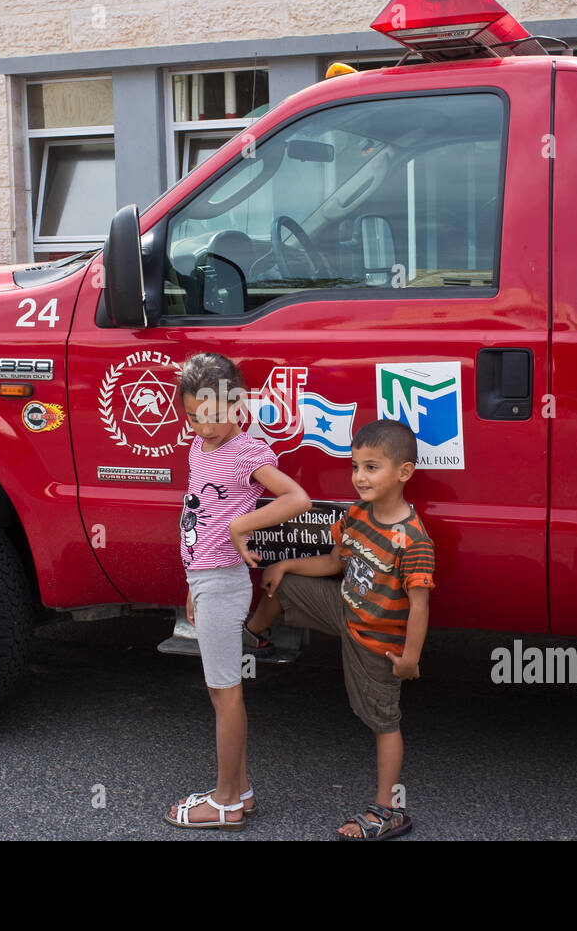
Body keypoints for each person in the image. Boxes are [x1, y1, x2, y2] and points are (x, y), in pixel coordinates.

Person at [244, 419, 434, 839]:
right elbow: (334, 564)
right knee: (284, 584)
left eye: (371, 467)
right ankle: (253, 635)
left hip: (378, 643)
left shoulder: (413, 540)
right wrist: (287, 563)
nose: (359, 477)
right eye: (355, 467)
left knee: (383, 722)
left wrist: (410, 659)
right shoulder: (357, 515)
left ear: (403, 472)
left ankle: (388, 810)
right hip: (344, 609)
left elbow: (419, 606)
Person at [164, 352, 310, 830]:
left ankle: (225, 803)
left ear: (239, 407)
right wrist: (192, 584)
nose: (204, 428)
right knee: (220, 691)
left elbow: (296, 498)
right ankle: (239, 791)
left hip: (226, 584)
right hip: (206, 581)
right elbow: (197, 512)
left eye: (215, 417)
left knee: (225, 694)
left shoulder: (247, 451)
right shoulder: (198, 449)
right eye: (193, 417)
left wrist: (240, 524)